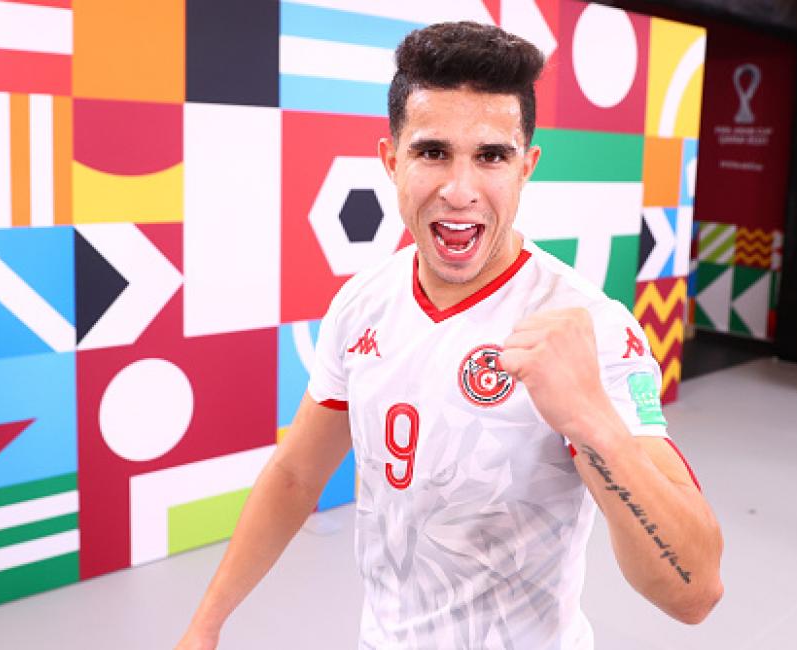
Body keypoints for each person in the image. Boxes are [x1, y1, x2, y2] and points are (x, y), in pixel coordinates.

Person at [176, 22, 723, 649]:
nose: (459, 191)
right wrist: (206, 622)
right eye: (432, 152)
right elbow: (297, 475)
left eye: (491, 156)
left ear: (526, 168)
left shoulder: (587, 327)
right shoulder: (362, 307)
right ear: (391, 159)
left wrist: (592, 418)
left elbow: (695, 591)